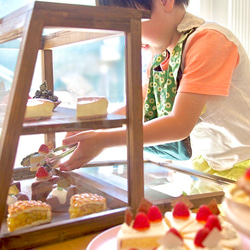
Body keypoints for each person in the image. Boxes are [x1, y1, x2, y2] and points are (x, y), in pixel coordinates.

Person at [59, 0, 250, 181]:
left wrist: (103, 140)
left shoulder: (209, 41)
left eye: (131, 22)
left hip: (242, 165)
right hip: (209, 164)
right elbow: (142, 102)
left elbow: (179, 125)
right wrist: (97, 127)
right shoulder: (162, 54)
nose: (127, 35)